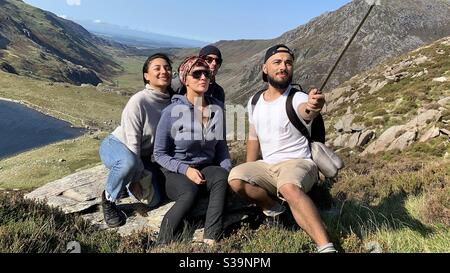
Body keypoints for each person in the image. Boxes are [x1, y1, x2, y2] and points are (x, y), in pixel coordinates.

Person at [228, 44, 337, 253]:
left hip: (298, 163)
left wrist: (314, 106)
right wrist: (251, 169)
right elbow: (253, 137)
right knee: (236, 179)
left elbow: (306, 111)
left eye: (288, 63)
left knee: (288, 187)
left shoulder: (298, 97)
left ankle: (326, 247)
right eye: (277, 62)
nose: (283, 67)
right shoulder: (255, 101)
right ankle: (275, 208)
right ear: (264, 68)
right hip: (268, 166)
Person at [154, 56, 231, 245]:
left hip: (205, 167)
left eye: (207, 73)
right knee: (190, 192)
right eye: (197, 74)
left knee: (221, 176)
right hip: (174, 171)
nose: (203, 77)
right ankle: (161, 244)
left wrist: (229, 170)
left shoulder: (217, 109)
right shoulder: (172, 112)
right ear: (185, 79)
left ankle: (210, 239)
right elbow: (159, 153)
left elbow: (221, 147)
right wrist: (185, 170)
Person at [99, 53, 173, 228]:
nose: (164, 71)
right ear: (146, 76)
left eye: (167, 68)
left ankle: (125, 180)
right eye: (157, 68)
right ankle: (108, 199)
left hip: (142, 155)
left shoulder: (173, 102)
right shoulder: (138, 101)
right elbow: (132, 144)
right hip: (117, 145)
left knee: (154, 201)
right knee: (128, 163)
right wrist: (137, 177)